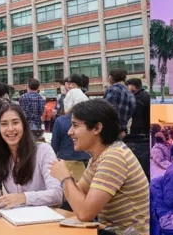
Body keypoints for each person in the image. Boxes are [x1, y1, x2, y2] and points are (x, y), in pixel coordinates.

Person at [49, 99, 149, 233]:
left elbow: (85, 213)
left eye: (75, 125)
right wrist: (69, 182)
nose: (69, 132)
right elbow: (77, 196)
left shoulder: (114, 157)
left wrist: (66, 179)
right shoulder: (100, 156)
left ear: (96, 128)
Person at [0, 102, 63, 208]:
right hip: (11, 221)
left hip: (43, 221)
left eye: (15, 123)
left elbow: (57, 195)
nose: (10, 129)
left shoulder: (43, 151)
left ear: (24, 125)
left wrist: (22, 198)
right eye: (4, 124)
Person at [51, 88, 91, 164]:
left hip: (65, 162)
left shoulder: (60, 121)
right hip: (85, 161)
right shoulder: (89, 120)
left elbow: (54, 145)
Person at [103, 69, 136, 139]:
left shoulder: (112, 89)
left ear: (110, 77)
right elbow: (131, 112)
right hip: (122, 132)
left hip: (110, 131)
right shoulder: (131, 94)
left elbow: (105, 110)